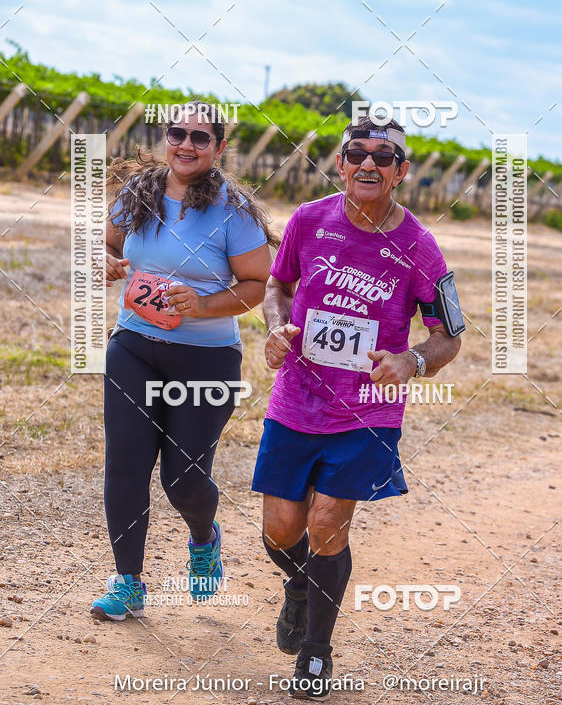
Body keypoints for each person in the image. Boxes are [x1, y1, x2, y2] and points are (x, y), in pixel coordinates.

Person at [252, 115, 464, 698]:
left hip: (367, 408)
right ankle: (300, 586)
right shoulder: (308, 220)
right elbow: (278, 286)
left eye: (383, 155)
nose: (368, 162)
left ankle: (316, 653)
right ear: (341, 164)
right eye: (356, 153)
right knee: (280, 530)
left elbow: (449, 334)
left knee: (326, 525)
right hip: (297, 397)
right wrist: (275, 328)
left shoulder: (418, 244)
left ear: (401, 172)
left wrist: (414, 362)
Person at [91, 102, 273, 621]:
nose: (187, 144)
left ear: (218, 147)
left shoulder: (232, 209)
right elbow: (104, 244)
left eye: (201, 136)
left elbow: (258, 285)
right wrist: (105, 261)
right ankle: (128, 581)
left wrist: (204, 304)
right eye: (178, 133)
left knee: (182, 480)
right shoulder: (139, 193)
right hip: (133, 346)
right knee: (125, 463)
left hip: (206, 359)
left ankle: (204, 534)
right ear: (166, 138)